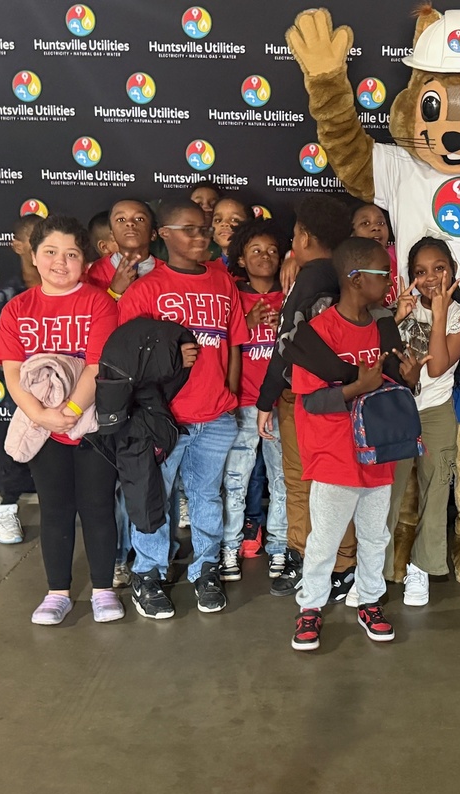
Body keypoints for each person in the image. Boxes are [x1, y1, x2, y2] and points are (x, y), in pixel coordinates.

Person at [288, 236, 426, 651]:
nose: (389, 282)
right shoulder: (317, 333)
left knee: (375, 537)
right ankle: (310, 609)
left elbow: (392, 388)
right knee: (325, 540)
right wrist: (356, 387)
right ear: (353, 277)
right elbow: (311, 400)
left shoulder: (384, 326)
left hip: (378, 454)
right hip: (334, 455)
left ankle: (369, 600)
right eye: (383, 273)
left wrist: (410, 379)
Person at [117, 199, 247, 618]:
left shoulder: (222, 280)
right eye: (189, 229)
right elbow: (127, 359)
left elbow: (234, 340)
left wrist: (228, 393)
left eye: (204, 230)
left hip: (216, 415)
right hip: (165, 420)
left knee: (208, 497)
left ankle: (205, 566)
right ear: (164, 235)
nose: (200, 237)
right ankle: (149, 573)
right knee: (155, 498)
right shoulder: (144, 290)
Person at [0, 215, 121, 625]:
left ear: (85, 261)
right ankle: (58, 592)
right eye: (50, 252)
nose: (59, 262)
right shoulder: (18, 308)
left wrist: (73, 412)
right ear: (33, 254)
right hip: (42, 426)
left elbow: (97, 366)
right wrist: (42, 416)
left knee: (98, 507)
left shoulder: (99, 302)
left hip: (90, 425)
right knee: (55, 509)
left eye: (71, 254)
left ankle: (103, 590)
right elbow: (12, 372)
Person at [256, 195, 351, 598]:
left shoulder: (311, 279)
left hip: (303, 398)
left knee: (302, 481)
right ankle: (339, 565)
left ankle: (311, 558)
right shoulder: (347, 274)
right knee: (337, 483)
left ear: (305, 237)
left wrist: (265, 400)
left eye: (295, 232)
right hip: (342, 399)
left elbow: (286, 345)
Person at [384, 237, 460, 605]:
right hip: (396, 410)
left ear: (452, 268)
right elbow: (376, 354)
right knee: (386, 495)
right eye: (420, 272)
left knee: (435, 493)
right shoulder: (398, 308)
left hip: (436, 413)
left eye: (439, 268)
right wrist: (396, 319)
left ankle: (421, 568)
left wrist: (438, 314)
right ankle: (377, 567)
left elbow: (436, 367)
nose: (431, 277)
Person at [220, 220, 287, 583]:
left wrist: (283, 329)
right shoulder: (233, 295)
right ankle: (229, 546)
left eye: (272, 251)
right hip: (244, 404)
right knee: (235, 481)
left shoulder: (289, 295)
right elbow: (224, 344)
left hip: (279, 404)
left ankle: (278, 547)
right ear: (242, 259)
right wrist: (247, 320)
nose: (265, 257)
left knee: (281, 481)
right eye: (256, 251)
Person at [0, 214, 43, 545]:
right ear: (18, 245)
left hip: (70, 393)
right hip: (23, 393)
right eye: (35, 238)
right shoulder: (8, 295)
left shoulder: (74, 289)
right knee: (19, 453)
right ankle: (6, 509)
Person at [85, 199, 160, 300]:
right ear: (112, 235)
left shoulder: (166, 271)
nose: (130, 223)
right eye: (121, 219)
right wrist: (114, 290)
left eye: (139, 219)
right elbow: (93, 311)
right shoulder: (98, 270)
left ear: (153, 234)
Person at [351, 201, 398, 306]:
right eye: (365, 223)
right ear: (352, 233)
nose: (376, 228)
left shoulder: (398, 254)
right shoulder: (348, 264)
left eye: (381, 223)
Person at [211, 197, 253, 262]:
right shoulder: (206, 266)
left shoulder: (258, 266)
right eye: (218, 220)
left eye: (234, 220)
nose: (224, 223)